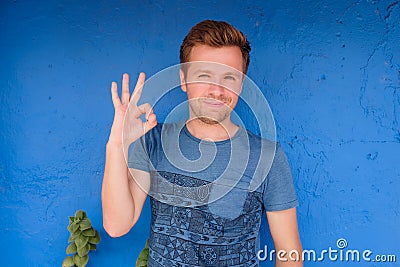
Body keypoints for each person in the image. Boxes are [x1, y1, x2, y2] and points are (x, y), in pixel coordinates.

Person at [102, 20, 303, 266]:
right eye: (204, 75)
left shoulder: (268, 157)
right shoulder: (155, 141)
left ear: (241, 84)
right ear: (183, 80)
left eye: (229, 77)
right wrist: (116, 144)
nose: (216, 90)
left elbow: (289, 255)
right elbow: (116, 225)